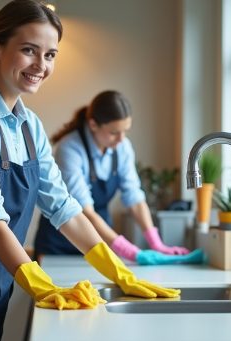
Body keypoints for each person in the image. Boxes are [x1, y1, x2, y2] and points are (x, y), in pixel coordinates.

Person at [0, 1, 179, 340]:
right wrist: (41, 285)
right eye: (29, 50)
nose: (41, 65)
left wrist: (119, 272)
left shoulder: (30, 126)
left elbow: (63, 208)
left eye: (51, 54)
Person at [34, 90, 191, 262]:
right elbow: (85, 212)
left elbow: (135, 200)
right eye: (114, 132)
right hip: (59, 242)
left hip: (99, 239)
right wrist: (129, 251)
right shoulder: (70, 149)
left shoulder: (122, 147)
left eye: (125, 131)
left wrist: (157, 244)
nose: (121, 139)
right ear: (93, 125)